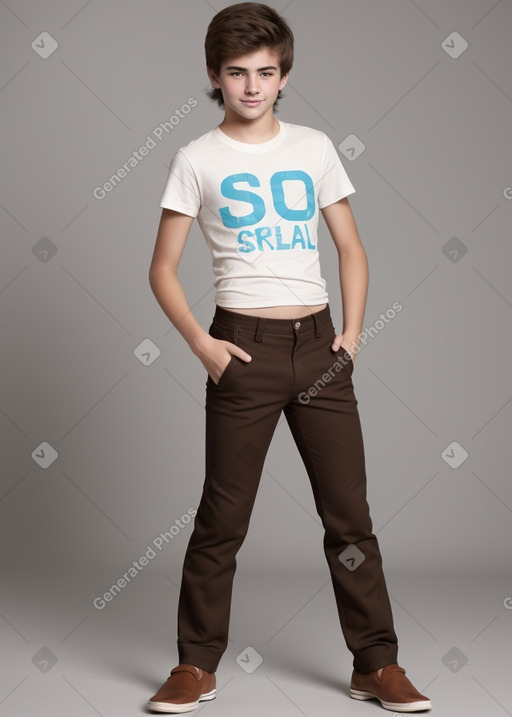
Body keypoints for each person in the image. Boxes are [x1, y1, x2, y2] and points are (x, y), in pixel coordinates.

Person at [147, 3, 431, 713]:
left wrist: (354, 331)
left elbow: (352, 247)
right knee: (222, 516)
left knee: (349, 517)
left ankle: (377, 662)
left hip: (320, 347)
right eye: (237, 73)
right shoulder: (196, 158)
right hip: (242, 349)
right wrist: (202, 344)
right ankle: (195, 664)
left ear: (283, 76)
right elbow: (161, 267)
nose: (251, 86)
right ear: (214, 76)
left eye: (265, 73)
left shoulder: (313, 147)